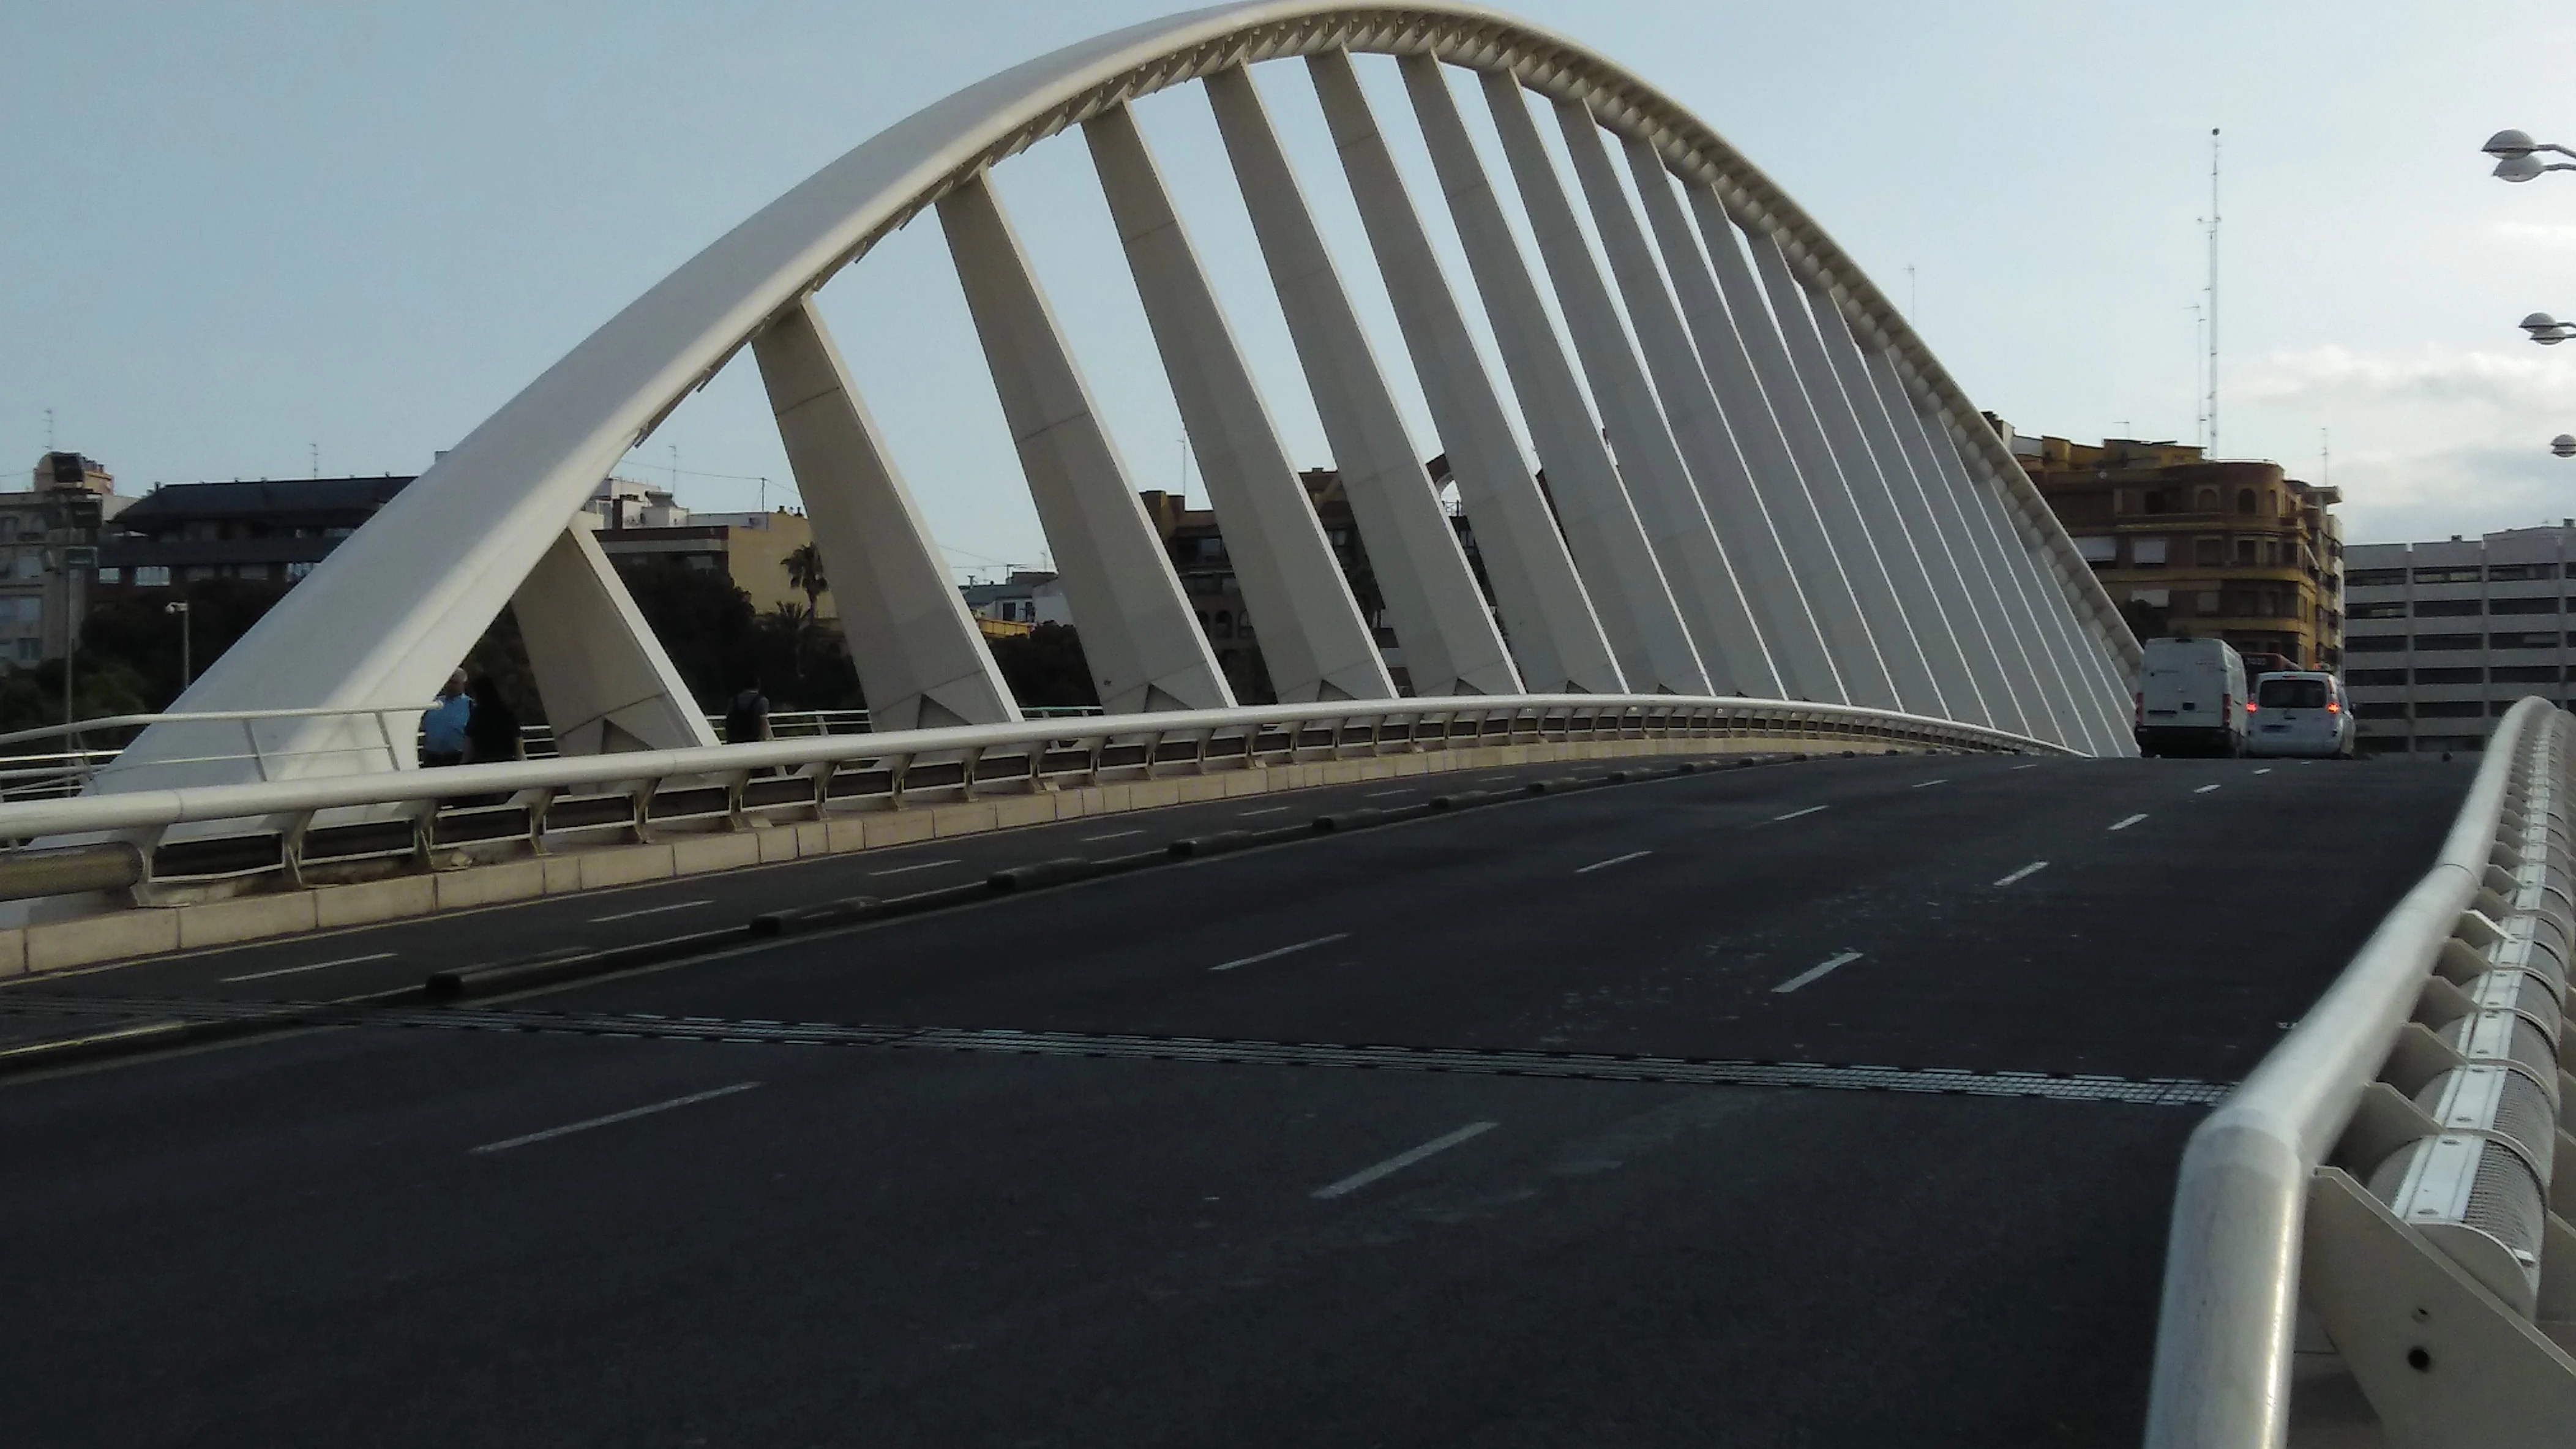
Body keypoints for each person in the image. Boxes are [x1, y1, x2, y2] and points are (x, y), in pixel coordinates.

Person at [465, 674, 522, 765]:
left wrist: (463, 764)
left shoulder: (477, 714)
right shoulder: (507, 712)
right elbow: (517, 740)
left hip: (482, 762)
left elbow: (470, 744)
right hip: (507, 761)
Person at [421, 670, 472, 768]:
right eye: (448, 682)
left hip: (456, 757)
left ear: (463, 684)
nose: (450, 685)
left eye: (455, 683)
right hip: (432, 757)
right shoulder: (434, 703)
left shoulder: (469, 705)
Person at [724, 678, 771, 746]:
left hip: (734, 739)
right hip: (753, 739)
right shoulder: (762, 701)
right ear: (758, 686)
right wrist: (764, 739)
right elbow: (763, 722)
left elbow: (728, 719)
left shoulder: (733, 700)